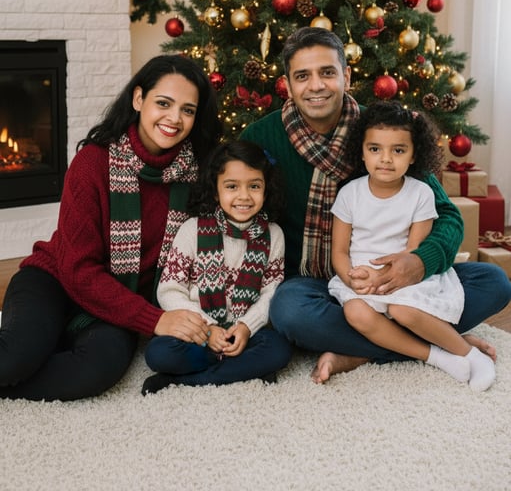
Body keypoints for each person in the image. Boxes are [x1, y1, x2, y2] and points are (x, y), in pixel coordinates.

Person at [241, 27, 511, 380]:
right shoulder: (261, 138)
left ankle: (359, 350)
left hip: (401, 280)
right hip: (317, 284)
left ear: (346, 76)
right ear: (288, 85)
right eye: (302, 76)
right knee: (289, 311)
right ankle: (435, 343)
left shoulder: (385, 132)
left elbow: (446, 217)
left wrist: (416, 262)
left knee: (494, 280)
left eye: (327, 72)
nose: (316, 86)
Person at [0, 54, 222, 401]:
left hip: (121, 298)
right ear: (138, 99)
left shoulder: (199, 172)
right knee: (15, 357)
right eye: (163, 103)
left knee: (96, 370)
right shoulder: (93, 163)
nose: (174, 118)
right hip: (56, 279)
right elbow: (77, 270)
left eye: (188, 110)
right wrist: (154, 321)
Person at [326, 101, 495, 392]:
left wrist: (388, 278)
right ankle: (437, 356)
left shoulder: (421, 194)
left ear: (415, 154)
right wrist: (351, 277)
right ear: (362, 152)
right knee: (355, 313)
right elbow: (339, 251)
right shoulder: (349, 194)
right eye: (375, 149)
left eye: (398, 150)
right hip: (360, 278)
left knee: (403, 311)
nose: (386, 159)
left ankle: (472, 356)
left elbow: (413, 252)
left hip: (403, 276)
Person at [142, 139, 291, 393]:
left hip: (243, 332)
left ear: (265, 191)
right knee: (158, 353)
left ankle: (183, 381)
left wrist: (246, 327)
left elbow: (271, 291)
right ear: (215, 191)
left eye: (254, 186)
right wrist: (207, 328)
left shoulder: (273, 234)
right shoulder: (193, 230)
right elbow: (169, 290)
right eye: (232, 186)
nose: (244, 196)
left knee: (279, 349)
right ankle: (238, 369)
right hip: (200, 333)